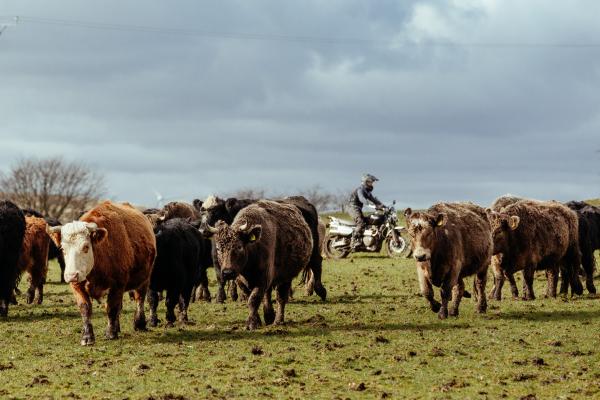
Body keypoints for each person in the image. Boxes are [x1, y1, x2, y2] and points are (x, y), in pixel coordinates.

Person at [347, 174, 383, 250]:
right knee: (361, 223)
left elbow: (375, 200)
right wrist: (370, 204)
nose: (372, 184)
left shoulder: (367, 192)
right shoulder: (360, 190)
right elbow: (361, 199)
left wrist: (384, 207)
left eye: (372, 183)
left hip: (358, 209)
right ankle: (353, 241)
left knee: (368, 221)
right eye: (370, 182)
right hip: (353, 207)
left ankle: (365, 242)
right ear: (365, 182)